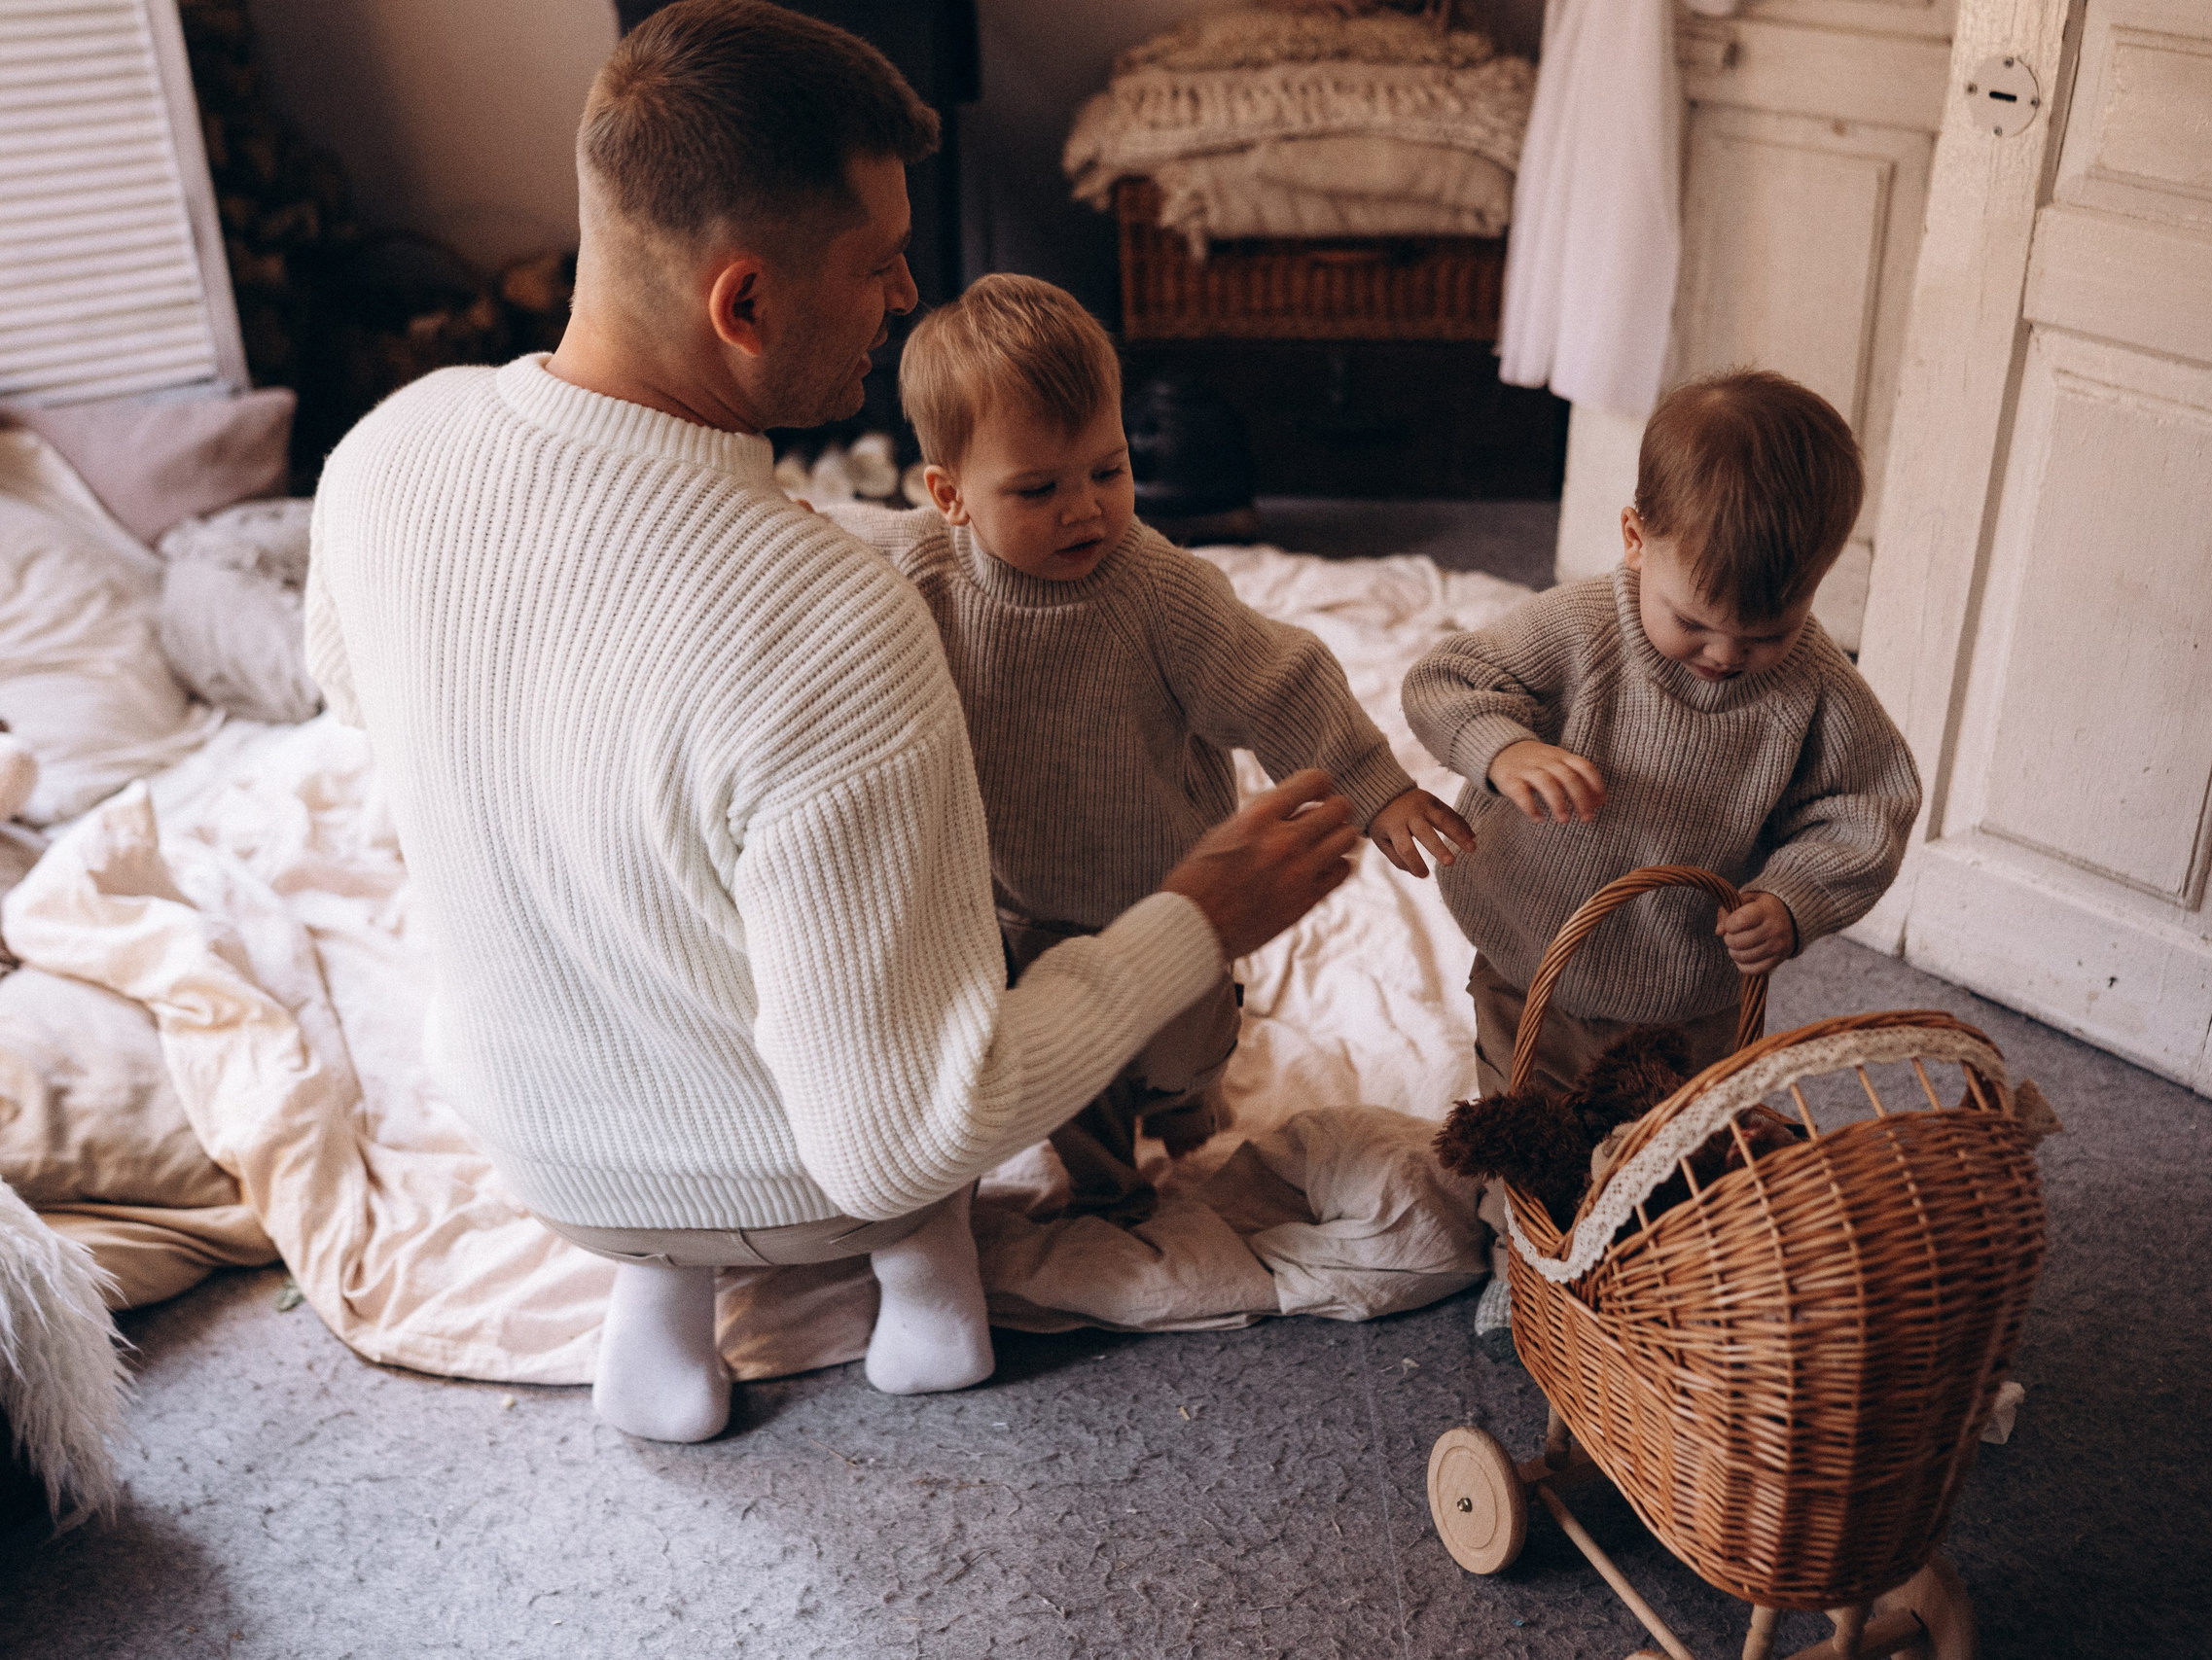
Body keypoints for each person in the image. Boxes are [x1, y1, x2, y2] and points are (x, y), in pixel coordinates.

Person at [303, 0, 1361, 1444]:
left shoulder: (381, 453)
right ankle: (921, 1308)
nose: (910, 290)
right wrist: (1195, 911)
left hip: (532, 1139)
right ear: (743, 304)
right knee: (952, 987)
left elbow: (368, 702)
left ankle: (654, 1295)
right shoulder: (833, 624)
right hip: (797, 1186)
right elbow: (904, 1130)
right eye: (877, 265)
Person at [837, 273, 1473, 1220]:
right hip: (1021, 905)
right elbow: (826, 542)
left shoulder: (1155, 589)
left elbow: (1281, 678)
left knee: (1181, 1048)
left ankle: (1185, 1096)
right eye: (1039, 489)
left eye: (1109, 469)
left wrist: (1376, 789)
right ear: (949, 496)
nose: (1086, 508)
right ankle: (1105, 1184)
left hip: (1175, 889)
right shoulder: (921, 565)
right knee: (1067, 1070)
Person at [1402, 369, 1922, 1101]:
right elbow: (1443, 679)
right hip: (1531, 949)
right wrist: (1504, 748)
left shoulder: (1817, 685)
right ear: (1635, 539)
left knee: (1676, 1141)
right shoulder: (1579, 626)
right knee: (1527, 1116)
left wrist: (1792, 898)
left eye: (1767, 634)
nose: (1727, 656)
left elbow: (1872, 804)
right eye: (1693, 624)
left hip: (1689, 990)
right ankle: (1519, 1215)